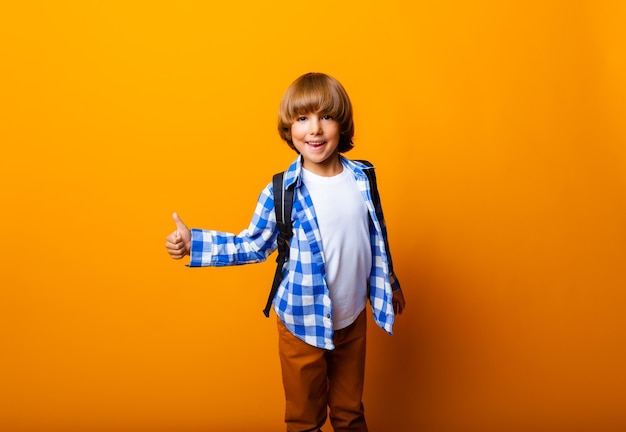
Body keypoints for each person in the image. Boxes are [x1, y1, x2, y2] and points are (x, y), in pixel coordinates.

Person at [165, 72, 406, 432]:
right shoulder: (282, 190)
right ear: (289, 129)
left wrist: (391, 283)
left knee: (350, 413)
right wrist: (193, 244)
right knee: (304, 418)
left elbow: (375, 237)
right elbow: (252, 244)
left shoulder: (363, 177)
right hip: (300, 323)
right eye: (303, 119)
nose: (315, 130)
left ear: (341, 123)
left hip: (352, 319)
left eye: (326, 116)